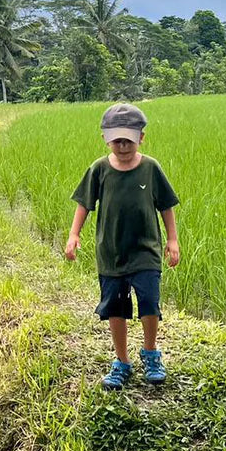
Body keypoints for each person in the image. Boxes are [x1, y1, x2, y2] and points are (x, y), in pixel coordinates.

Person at [67, 102, 180, 390]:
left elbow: (166, 206)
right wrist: (74, 235)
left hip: (146, 251)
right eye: (117, 139)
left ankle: (151, 354)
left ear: (141, 137)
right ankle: (122, 361)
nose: (122, 145)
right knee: (115, 307)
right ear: (106, 138)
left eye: (128, 139)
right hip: (111, 252)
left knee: (149, 302)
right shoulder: (99, 169)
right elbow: (84, 204)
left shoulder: (151, 168)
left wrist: (172, 239)